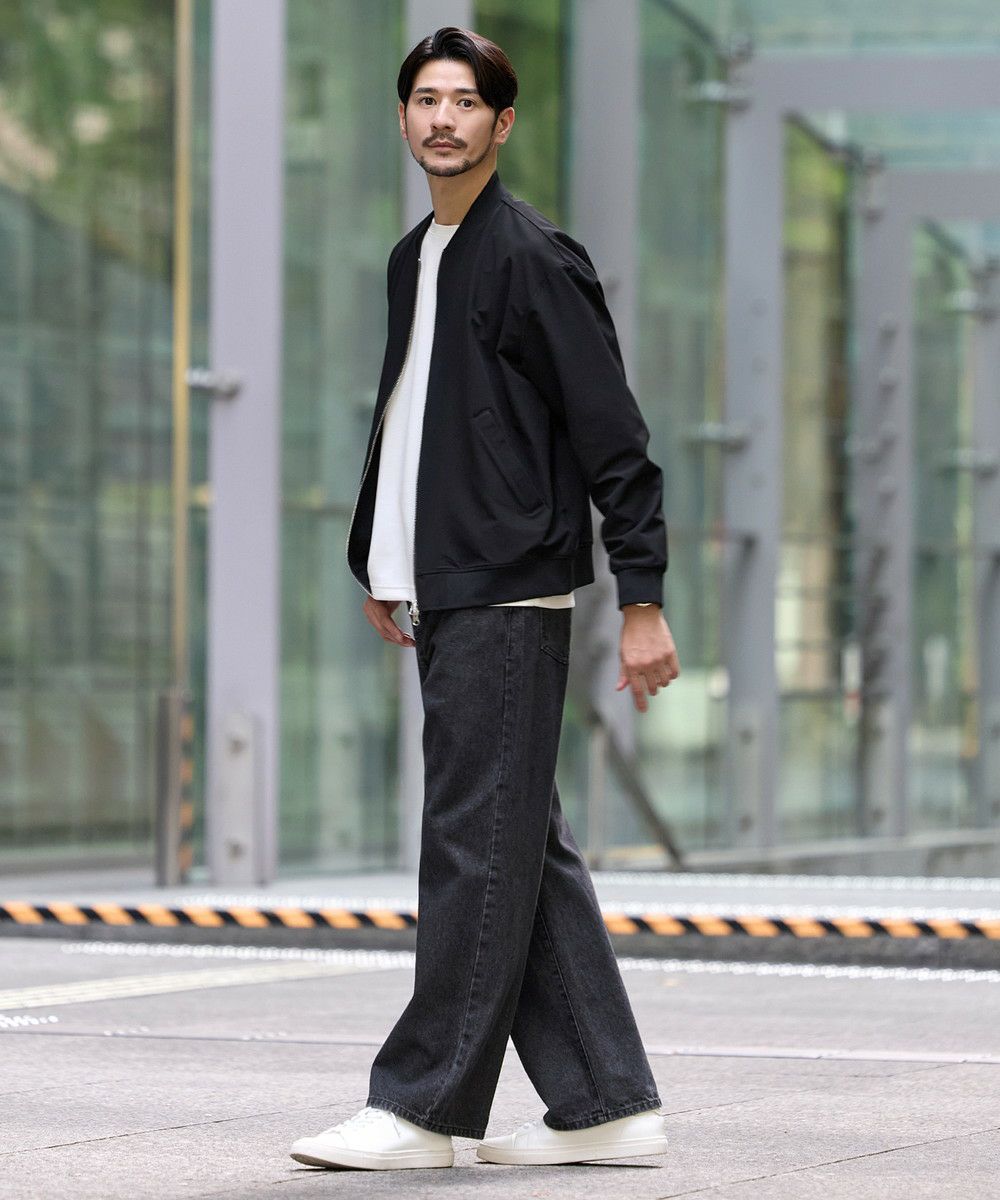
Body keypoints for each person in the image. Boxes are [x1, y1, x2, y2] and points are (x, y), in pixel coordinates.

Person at [290, 25, 680, 1173]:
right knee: (516, 841)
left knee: (472, 843)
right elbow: (413, 417)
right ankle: (605, 1102)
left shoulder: (531, 257)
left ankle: (423, 1109)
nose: (444, 118)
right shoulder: (416, 255)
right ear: (402, 118)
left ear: (501, 124)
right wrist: (386, 561)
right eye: (426, 99)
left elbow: (614, 437)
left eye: (466, 101)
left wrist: (644, 596)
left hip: (510, 593)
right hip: (445, 584)